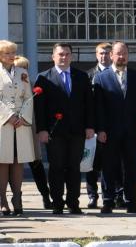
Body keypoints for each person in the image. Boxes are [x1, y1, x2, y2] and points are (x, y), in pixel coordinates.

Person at [34, 43, 96, 215]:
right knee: (56, 167)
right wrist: (42, 130)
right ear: (53, 56)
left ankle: (73, 203)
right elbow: (40, 108)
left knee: (74, 168)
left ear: (72, 57)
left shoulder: (81, 76)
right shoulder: (44, 77)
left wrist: (90, 126)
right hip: (54, 132)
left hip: (77, 130)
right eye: (60, 54)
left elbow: (89, 104)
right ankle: (57, 203)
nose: (64, 57)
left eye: (67, 54)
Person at [92, 41, 136, 214]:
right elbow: (98, 107)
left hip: (131, 131)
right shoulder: (101, 77)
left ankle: (131, 201)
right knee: (108, 167)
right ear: (111, 55)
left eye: (124, 53)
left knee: (130, 167)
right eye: (118, 53)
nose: (121, 57)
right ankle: (108, 201)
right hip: (109, 132)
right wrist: (99, 129)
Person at [0, 40, 35, 216]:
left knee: (18, 161)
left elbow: (29, 97)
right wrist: (9, 116)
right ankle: (3, 200)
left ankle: (17, 198)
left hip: (21, 123)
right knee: (3, 162)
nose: (11, 56)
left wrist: (22, 116)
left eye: (13, 52)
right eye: (7, 53)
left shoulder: (22, 72)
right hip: (3, 124)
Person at [13, 55, 51, 209]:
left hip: (29, 128)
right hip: (11, 128)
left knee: (36, 163)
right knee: (13, 164)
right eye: (20, 68)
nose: (24, 71)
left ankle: (45, 196)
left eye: (25, 68)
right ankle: (17, 197)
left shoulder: (34, 86)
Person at [85, 42, 113, 208]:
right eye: (101, 53)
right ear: (96, 55)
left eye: (108, 53)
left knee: (112, 163)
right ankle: (92, 195)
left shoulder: (118, 74)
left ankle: (114, 195)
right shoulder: (88, 75)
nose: (105, 56)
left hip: (112, 125)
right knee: (92, 164)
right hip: (93, 126)